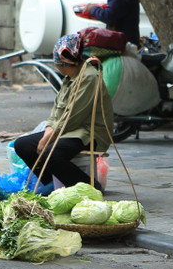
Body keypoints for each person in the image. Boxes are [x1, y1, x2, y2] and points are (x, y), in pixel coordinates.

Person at [14, 34, 113, 191]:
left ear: (62, 62)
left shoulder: (89, 77)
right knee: (22, 145)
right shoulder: (70, 77)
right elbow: (56, 110)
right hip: (68, 130)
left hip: (88, 132)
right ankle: (53, 182)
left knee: (50, 154)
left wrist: (50, 137)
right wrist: (48, 131)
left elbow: (74, 116)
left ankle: (91, 187)